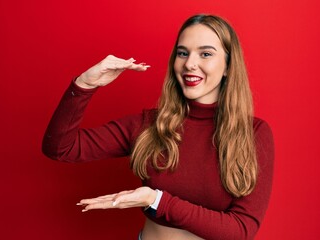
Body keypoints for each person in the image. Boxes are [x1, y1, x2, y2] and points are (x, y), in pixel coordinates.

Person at [42, 14, 274, 240]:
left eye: (205, 54)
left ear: (227, 66)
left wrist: (157, 200)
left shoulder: (253, 133)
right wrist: (84, 84)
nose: (190, 63)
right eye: (183, 53)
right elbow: (61, 147)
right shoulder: (149, 125)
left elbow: (241, 230)